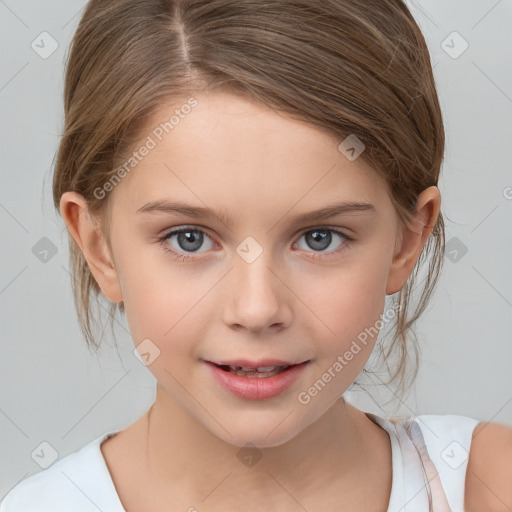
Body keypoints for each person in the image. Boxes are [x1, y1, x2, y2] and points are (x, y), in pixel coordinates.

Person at [1, 0, 511, 511]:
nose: (257, 308)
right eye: (189, 239)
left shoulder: (490, 487)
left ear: (406, 239)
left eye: (320, 238)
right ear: (99, 247)